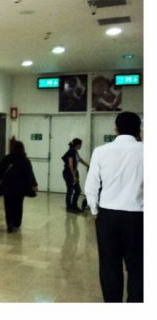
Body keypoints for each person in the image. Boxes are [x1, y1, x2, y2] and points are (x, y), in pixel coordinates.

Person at [85, 111, 143, 302]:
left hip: (108, 215)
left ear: (116, 128)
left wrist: (94, 210)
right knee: (138, 266)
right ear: (139, 129)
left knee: (109, 265)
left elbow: (91, 186)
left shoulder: (101, 151)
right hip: (138, 216)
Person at [0, 138, 38, 232]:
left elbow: (0, 170)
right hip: (20, 187)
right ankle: (17, 223)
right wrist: (34, 184)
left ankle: (9, 223)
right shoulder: (25, 160)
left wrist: (0, 178)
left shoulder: (6, 158)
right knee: (18, 205)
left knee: (8, 205)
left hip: (7, 186)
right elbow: (29, 174)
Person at [61, 138, 89, 213]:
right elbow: (70, 165)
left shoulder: (75, 152)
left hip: (73, 173)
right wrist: (74, 176)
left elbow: (80, 159)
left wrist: (88, 165)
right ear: (77, 145)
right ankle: (69, 207)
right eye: (81, 145)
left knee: (78, 190)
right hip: (68, 173)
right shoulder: (71, 152)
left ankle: (74, 206)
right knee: (70, 190)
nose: (81, 146)